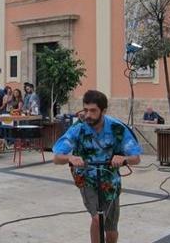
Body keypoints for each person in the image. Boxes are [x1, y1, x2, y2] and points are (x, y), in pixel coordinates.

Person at [53, 90, 142, 243]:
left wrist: (123, 158)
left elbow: (136, 158)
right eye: (85, 110)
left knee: (111, 231)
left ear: (104, 111)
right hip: (87, 179)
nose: (88, 115)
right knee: (97, 219)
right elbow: (57, 158)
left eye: (93, 111)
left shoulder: (117, 128)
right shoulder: (78, 128)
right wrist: (70, 157)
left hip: (110, 180)